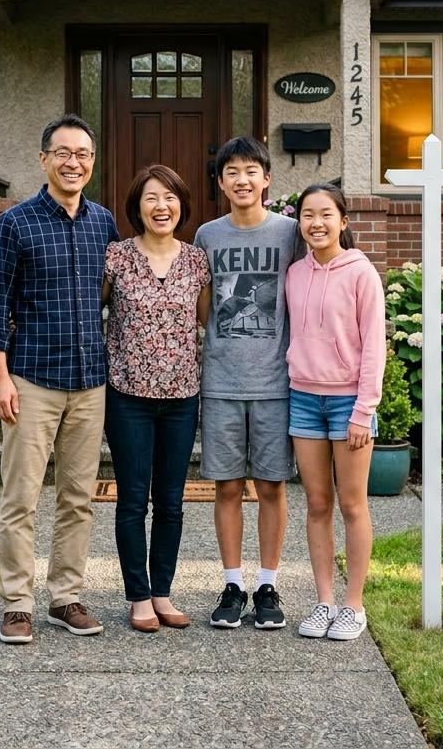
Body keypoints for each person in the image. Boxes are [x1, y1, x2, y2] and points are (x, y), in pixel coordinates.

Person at [0, 113, 119, 645]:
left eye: (83, 154)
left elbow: (107, 296)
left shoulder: (103, 223)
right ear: (44, 160)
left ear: (92, 161)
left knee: (78, 496)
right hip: (32, 379)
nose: (73, 162)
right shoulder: (15, 223)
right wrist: (0, 377)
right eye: (63, 153)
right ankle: (17, 603)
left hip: (89, 381)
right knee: (21, 499)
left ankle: (66, 598)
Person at [194, 136, 303, 629]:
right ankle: (233, 582)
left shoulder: (291, 233)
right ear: (220, 182)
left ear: (267, 179)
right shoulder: (206, 236)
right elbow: (202, 304)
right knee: (227, 487)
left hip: (275, 383)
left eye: (251, 170)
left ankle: (268, 584)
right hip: (220, 380)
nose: (242, 179)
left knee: (273, 486)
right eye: (231, 171)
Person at [102, 165, 212, 633]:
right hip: (127, 395)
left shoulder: (196, 262)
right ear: (137, 207)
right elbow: (96, 312)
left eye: (169, 197)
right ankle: (138, 596)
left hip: (182, 397)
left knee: (170, 500)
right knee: (132, 500)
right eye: (151, 198)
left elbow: (203, 323)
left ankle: (163, 590)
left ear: (182, 204)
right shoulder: (116, 258)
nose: (161, 206)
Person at [284, 182, 385, 641]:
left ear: (343, 221)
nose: (316, 223)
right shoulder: (294, 273)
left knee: (351, 503)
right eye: (308, 214)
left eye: (326, 214)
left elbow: (373, 348)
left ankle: (353, 605)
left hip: (349, 403)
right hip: (303, 398)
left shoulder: (361, 273)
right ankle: (324, 601)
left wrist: (364, 410)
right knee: (318, 502)